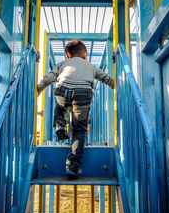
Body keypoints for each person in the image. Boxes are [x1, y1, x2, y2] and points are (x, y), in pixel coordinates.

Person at [37, 40, 114, 179]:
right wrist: (118, 86)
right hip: (83, 93)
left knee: (60, 107)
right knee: (79, 130)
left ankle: (60, 123)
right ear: (85, 55)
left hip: (62, 89)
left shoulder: (62, 64)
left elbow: (49, 78)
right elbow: (107, 78)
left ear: (67, 55)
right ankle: (72, 165)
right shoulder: (91, 66)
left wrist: (38, 90)